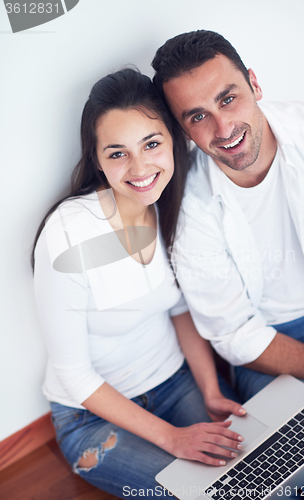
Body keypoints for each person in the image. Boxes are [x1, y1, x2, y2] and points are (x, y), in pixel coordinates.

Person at [32, 68, 246, 499]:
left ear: (173, 140)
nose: (140, 167)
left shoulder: (177, 206)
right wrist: (172, 438)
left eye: (151, 144)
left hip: (176, 382)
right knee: (202, 493)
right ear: (96, 159)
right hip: (91, 418)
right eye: (117, 153)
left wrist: (209, 389)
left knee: (252, 474)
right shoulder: (67, 235)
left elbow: (178, 309)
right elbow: (74, 376)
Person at [152, 30, 304, 499]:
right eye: (198, 116)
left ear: (254, 84)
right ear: (182, 129)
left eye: (228, 98)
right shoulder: (186, 206)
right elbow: (236, 335)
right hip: (273, 351)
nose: (223, 128)